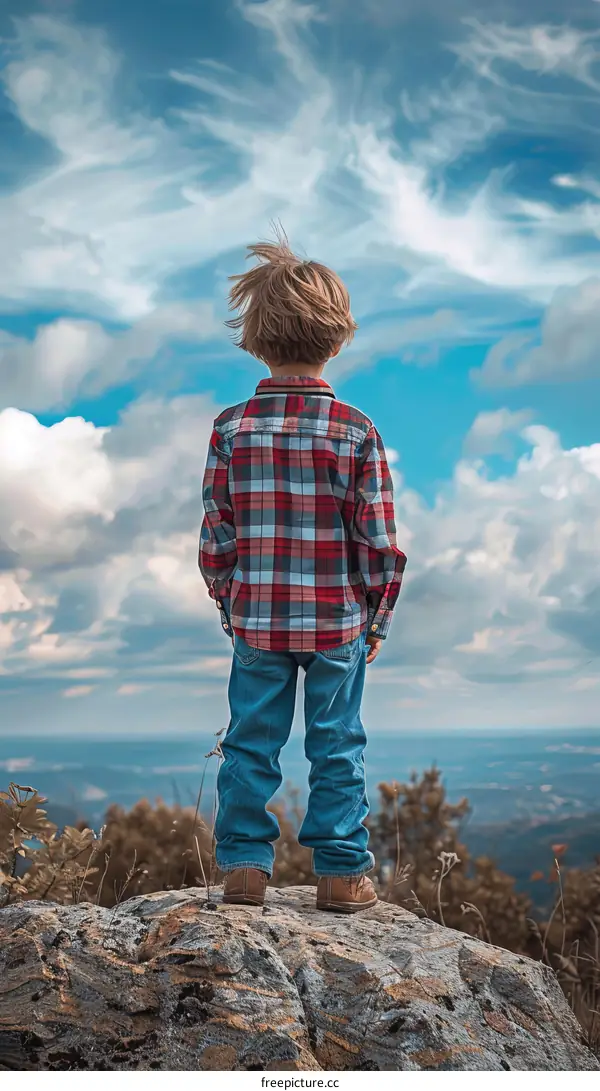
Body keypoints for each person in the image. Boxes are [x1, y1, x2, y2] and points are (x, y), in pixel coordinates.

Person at [199, 228, 406, 912]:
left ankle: (244, 871)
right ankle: (343, 876)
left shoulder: (231, 430)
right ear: (337, 337)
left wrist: (231, 603)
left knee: (249, 746)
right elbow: (377, 538)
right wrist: (376, 617)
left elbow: (218, 534)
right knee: (338, 747)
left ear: (256, 337)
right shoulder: (357, 430)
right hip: (337, 623)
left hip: (257, 620)